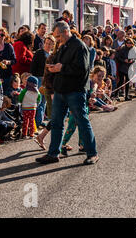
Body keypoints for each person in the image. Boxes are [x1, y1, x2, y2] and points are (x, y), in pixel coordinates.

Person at [36, 21, 99, 165]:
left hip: (75, 91)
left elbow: (82, 70)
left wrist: (61, 68)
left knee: (82, 121)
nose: (56, 40)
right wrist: (53, 67)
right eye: (55, 38)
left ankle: (92, 153)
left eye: (58, 37)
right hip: (60, 90)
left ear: (65, 32)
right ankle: (53, 153)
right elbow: (60, 64)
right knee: (57, 122)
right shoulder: (63, 46)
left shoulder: (80, 46)